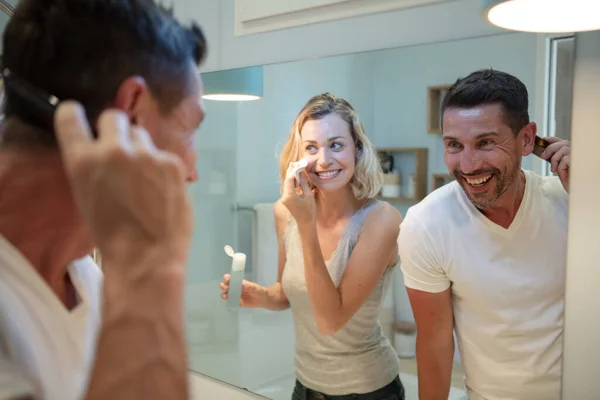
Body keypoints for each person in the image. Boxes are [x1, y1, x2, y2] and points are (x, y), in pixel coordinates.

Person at [0, 0, 206, 399]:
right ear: (131, 113)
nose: (193, 171)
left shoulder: (87, 279)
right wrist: (148, 263)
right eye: (190, 127)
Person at [398, 69, 570, 400]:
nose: (468, 164)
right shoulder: (426, 225)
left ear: (526, 139)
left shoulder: (570, 201)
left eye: (486, 142)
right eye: (454, 145)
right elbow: (434, 342)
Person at [220, 93, 405, 400]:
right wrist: (262, 296)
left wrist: (306, 224)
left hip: (368, 390)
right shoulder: (285, 212)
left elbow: (329, 320)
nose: (323, 160)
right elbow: (287, 293)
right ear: (299, 154)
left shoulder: (381, 220)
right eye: (311, 147)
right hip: (304, 387)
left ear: (357, 149)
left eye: (336, 145)